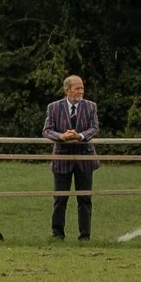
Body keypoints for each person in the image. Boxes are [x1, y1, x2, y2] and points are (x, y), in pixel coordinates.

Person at [42, 75, 99, 240]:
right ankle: (57, 234)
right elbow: (47, 130)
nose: (81, 91)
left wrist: (79, 136)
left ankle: (85, 236)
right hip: (62, 159)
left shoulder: (90, 107)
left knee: (85, 199)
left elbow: (94, 128)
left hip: (85, 159)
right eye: (77, 88)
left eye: (82, 88)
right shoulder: (53, 107)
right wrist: (61, 136)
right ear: (67, 90)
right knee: (60, 199)